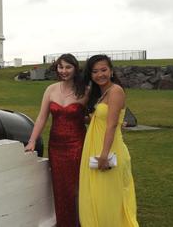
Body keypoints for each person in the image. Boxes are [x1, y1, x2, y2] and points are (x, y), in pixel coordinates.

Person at [25, 54, 87, 227]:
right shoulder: (51, 89)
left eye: (68, 67)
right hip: (56, 147)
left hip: (77, 145)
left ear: (75, 68)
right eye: (61, 67)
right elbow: (41, 118)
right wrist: (32, 141)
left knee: (76, 189)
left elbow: (95, 116)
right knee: (60, 189)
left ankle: (82, 223)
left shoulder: (85, 90)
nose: (64, 71)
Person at [79, 54, 139, 226]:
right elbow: (100, 119)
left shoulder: (116, 91)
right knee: (96, 195)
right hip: (94, 147)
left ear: (111, 71)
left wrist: (104, 155)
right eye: (95, 71)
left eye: (103, 70)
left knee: (108, 198)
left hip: (109, 149)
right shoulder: (101, 93)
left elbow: (111, 125)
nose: (100, 74)